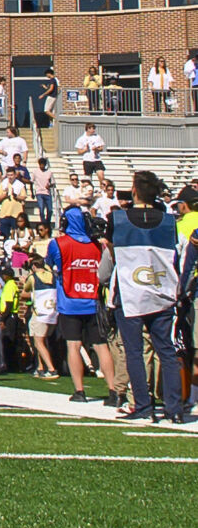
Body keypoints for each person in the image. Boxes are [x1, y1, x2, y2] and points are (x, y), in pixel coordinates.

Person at [109, 171, 185, 422]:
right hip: (161, 289)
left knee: (134, 352)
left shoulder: (118, 219)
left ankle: (143, 406)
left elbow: (111, 250)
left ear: (134, 191)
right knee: (166, 350)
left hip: (130, 290)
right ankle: (174, 409)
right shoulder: (169, 221)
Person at [49, 196, 117, 404]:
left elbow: (52, 264)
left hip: (70, 301)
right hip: (93, 300)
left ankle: (79, 390)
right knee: (101, 346)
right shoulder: (97, 245)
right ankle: (113, 390)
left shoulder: (58, 244)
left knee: (73, 345)